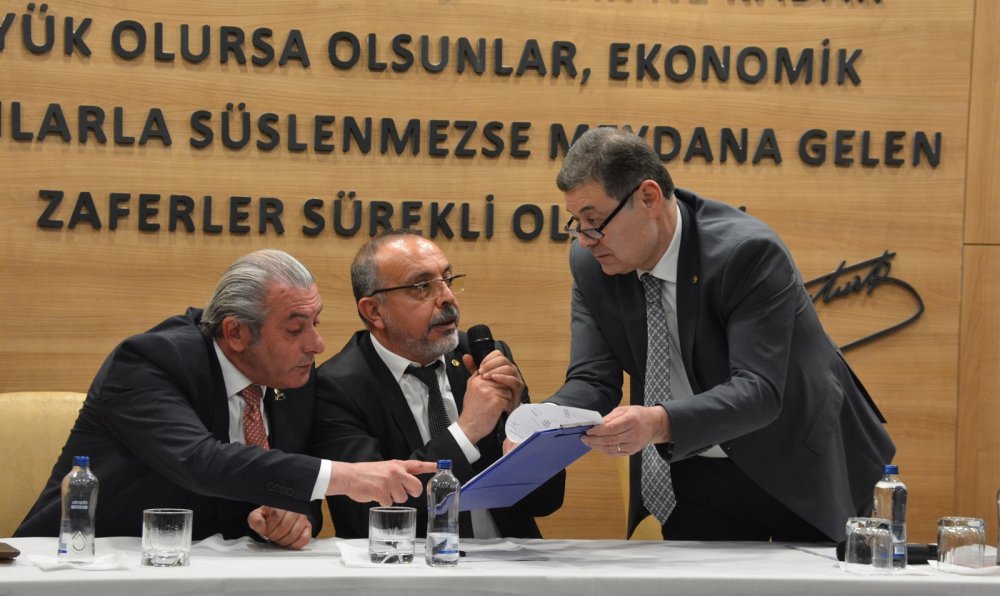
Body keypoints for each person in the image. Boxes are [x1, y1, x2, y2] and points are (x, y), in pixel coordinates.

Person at [547, 127, 895, 542]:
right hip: (694, 464)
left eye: (593, 221)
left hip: (799, 460)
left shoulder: (747, 253)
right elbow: (592, 381)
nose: (585, 239)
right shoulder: (594, 266)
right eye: (577, 223)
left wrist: (657, 422)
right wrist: (541, 423)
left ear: (649, 198)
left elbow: (759, 390)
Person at [15, 249, 435, 549]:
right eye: (295, 329)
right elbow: (201, 462)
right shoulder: (149, 362)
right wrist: (349, 476)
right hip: (85, 564)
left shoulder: (295, 376)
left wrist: (290, 517)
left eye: (316, 323)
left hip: (213, 572)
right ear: (235, 332)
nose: (317, 344)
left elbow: (289, 478)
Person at [311, 231, 564, 539]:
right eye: (422, 287)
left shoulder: (483, 356)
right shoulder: (336, 387)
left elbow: (546, 501)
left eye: (447, 279)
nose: (447, 298)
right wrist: (466, 432)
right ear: (374, 311)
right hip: (410, 563)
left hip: (505, 556)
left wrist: (521, 425)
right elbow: (366, 513)